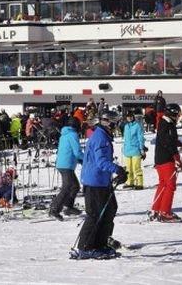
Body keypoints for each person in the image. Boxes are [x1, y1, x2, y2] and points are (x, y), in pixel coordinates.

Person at [74, 111, 127, 260]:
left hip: (101, 181)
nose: (117, 126)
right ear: (108, 123)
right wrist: (118, 169)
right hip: (95, 182)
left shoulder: (100, 135)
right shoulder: (100, 138)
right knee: (95, 215)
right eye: (115, 122)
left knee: (109, 211)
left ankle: (100, 243)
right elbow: (101, 162)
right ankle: (86, 247)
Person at [151, 103, 182, 222]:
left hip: (160, 159)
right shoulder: (169, 124)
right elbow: (169, 142)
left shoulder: (163, 123)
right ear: (173, 113)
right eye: (178, 114)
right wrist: (177, 158)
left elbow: (168, 139)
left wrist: (180, 144)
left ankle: (156, 210)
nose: (178, 117)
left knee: (163, 184)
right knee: (170, 185)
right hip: (166, 159)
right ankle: (165, 212)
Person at [49, 117, 84, 221]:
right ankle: (54, 209)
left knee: (75, 187)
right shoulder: (73, 135)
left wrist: (79, 160)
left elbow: (68, 150)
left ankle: (68, 207)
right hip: (66, 165)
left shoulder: (64, 135)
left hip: (63, 163)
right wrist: (86, 158)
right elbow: (77, 152)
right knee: (67, 187)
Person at [121, 112, 145, 189]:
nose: (129, 118)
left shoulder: (137, 125)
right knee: (128, 168)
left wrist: (141, 149)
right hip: (127, 150)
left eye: (131, 116)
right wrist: (124, 148)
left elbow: (140, 138)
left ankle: (139, 183)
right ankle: (129, 182)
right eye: (128, 117)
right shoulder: (126, 126)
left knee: (136, 167)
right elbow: (125, 139)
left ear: (133, 117)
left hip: (135, 150)